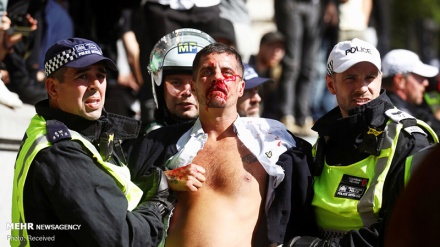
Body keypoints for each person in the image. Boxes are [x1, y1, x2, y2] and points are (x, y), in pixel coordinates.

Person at [125, 42, 316, 246]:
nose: (217, 77)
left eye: (227, 72)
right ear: (195, 85)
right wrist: (162, 180)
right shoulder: (159, 144)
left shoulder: (273, 142)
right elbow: (118, 194)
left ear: (241, 86)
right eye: (207, 71)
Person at [10, 38, 171, 246]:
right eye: (83, 76)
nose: (95, 85)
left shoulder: (50, 129)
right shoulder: (61, 152)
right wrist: (156, 204)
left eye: (100, 75)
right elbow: (122, 239)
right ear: (53, 88)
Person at [285, 38, 438, 246]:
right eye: (350, 78)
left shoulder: (409, 139)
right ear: (331, 84)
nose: (362, 87)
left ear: (380, 80)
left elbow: (406, 228)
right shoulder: (326, 137)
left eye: (370, 77)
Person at [145, 28, 215, 133]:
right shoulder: (143, 144)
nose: (187, 92)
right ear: (159, 89)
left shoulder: (238, 137)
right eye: (176, 83)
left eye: (196, 83)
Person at [274, 0, 321, 136]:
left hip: (314, 5)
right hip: (292, 4)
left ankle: (304, 117)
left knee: (309, 67)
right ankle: (287, 115)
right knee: (291, 65)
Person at [381, 49, 440, 135]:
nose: (426, 82)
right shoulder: (401, 118)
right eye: (420, 77)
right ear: (400, 81)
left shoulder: (383, 109)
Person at [248, 31, 286, 120]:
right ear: (261, 46)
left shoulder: (277, 75)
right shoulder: (245, 69)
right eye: (272, 47)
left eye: (280, 49)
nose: (276, 52)